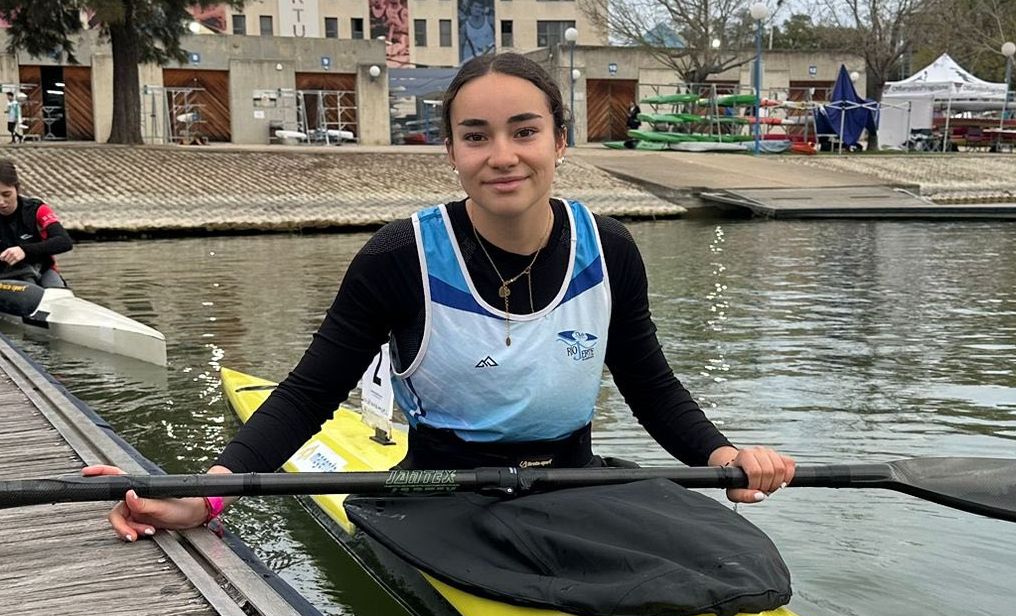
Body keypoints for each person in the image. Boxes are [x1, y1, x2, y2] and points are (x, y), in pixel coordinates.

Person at [85, 53, 794, 542]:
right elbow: (309, 394)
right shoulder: (397, 258)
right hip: (437, 489)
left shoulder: (609, 249)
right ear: (450, 151)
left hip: (571, 480)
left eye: (525, 132)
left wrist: (721, 455)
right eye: (475, 137)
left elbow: (650, 383)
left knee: (737, 557)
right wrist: (206, 494)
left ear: (560, 141)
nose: (502, 156)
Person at [0, 159, 72, 287]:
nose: (1, 202)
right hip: (5, 276)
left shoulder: (37, 209)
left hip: (42, 270)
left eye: (6, 194)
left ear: (17, 189)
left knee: (57, 291)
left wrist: (24, 250)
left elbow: (64, 241)